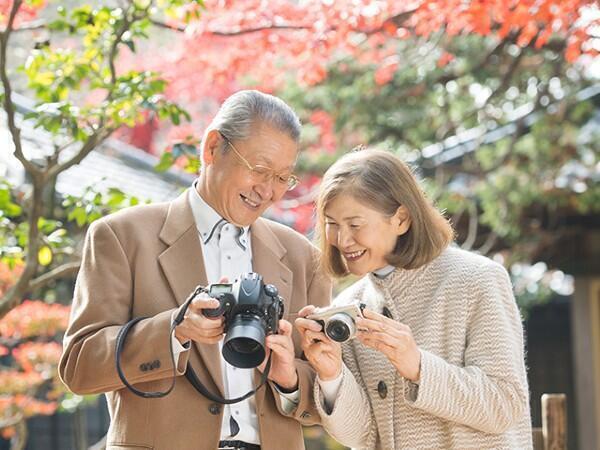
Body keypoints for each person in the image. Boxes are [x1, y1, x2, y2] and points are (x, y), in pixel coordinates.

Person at [59, 90, 331, 450]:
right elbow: (79, 368)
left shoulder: (304, 258)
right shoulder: (122, 236)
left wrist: (290, 379)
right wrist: (174, 331)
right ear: (213, 148)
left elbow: (324, 398)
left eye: (283, 178)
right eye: (259, 170)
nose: (268, 191)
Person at [295, 148, 532, 449]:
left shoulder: (477, 279)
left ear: (402, 219)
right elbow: (362, 437)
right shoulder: (349, 308)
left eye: (355, 225)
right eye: (332, 224)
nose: (342, 240)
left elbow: (505, 404)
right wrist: (332, 376)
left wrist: (417, 365)